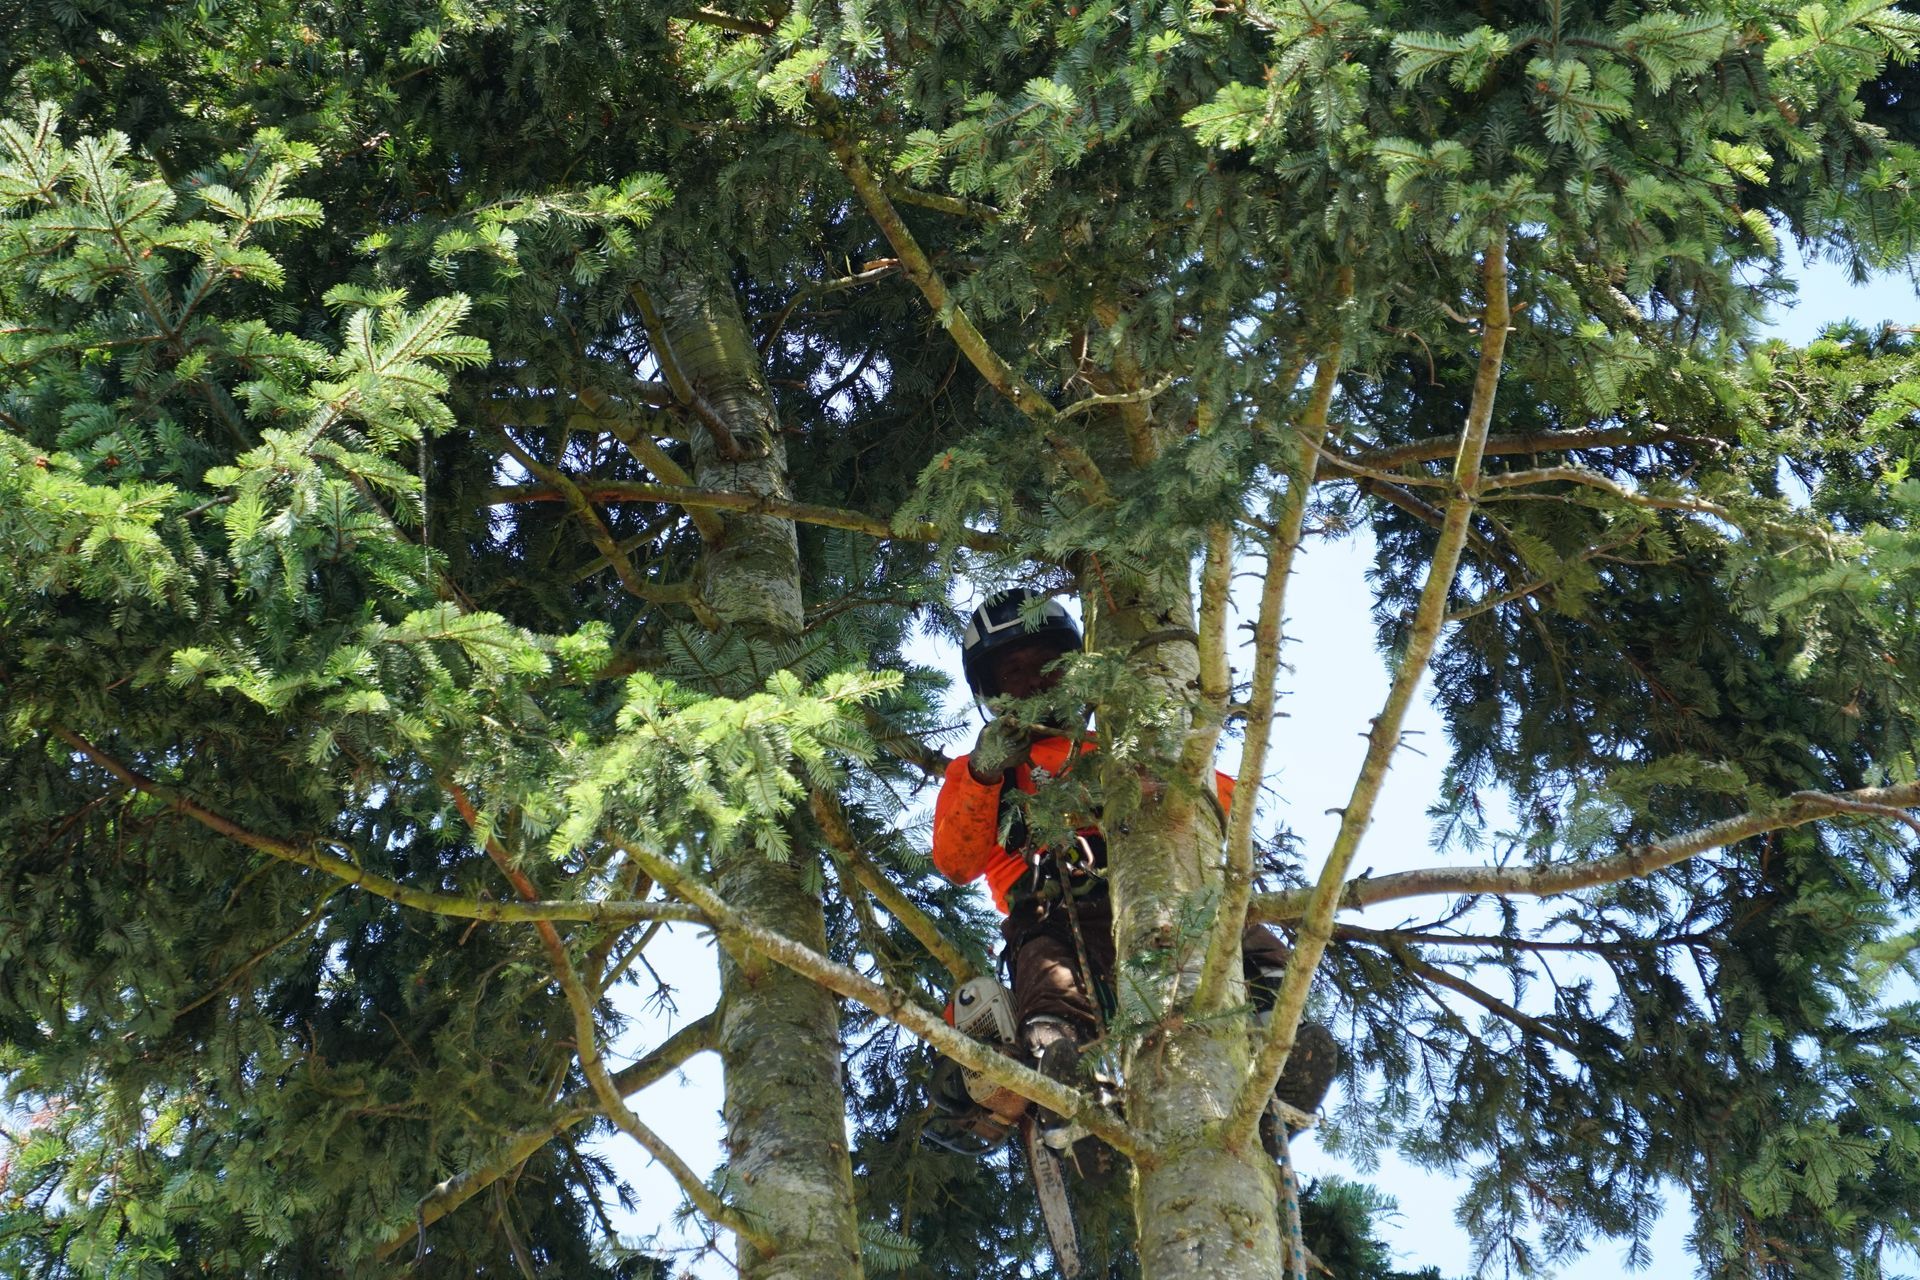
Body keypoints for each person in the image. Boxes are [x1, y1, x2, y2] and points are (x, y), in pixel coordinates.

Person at [932, 588, 1338, 1150]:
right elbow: (956, 861)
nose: (1031, 683)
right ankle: (1065, 1080)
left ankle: (1278, 1063)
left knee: (1247, 943)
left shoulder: (1120, 741)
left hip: (1160, 883)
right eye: (1012, 674)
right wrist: (983, 773)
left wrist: (1152, 779)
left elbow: (1219, 809)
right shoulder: (981, 773)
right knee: (1049, 989)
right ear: (992, 694)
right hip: (1052, 909)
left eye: (1046, 666)